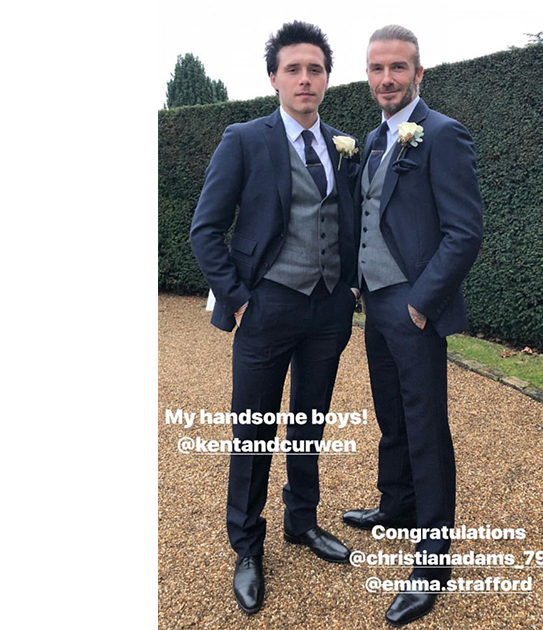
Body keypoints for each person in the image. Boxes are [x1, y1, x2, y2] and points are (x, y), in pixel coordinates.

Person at [190, 20, 360, 615]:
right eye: (294, 69)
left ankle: (301, 520)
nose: (305, 79)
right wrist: (239, 298)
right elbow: (205, 230)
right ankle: (246, 546)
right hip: (266, 306)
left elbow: (351, 222)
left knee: (310, 421)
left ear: (327, 78)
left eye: (315, 69)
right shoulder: (243, 139)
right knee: (254, 429)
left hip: (329, 308)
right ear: (274, 78)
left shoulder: (343, 144)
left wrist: (350, 287)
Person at [341, 24, 483, 626]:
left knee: (426, 427)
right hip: (374, 302)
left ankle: (432, 560)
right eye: (377, 68)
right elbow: (367, 215)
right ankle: (396, 504)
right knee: (390, 414)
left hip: (413, 306)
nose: (387, 79)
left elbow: (464, 231)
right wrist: (356, 280)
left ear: (419, 73)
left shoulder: (443, 134)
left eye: (398, 67)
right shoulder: (374, 138)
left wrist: (422, 302)